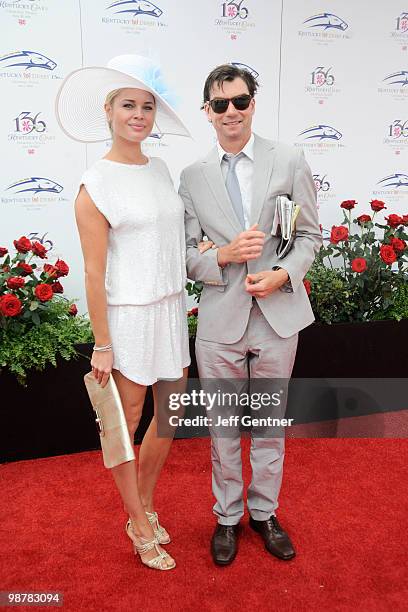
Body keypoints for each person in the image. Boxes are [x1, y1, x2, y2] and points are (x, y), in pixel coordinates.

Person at [179, 64, 322, 565]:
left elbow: (309, 236)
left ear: (253, 103)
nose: (231, 112)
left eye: (240, 101)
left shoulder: (289, 159)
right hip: (220, 321)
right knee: (221, 428)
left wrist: (283, 274)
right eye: (220, 105)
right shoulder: (192, 177)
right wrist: (223, 255)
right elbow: (186, 256)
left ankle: (263, 514)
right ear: (207, 112)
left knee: (268, 423)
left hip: (277, 316)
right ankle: (225, 517)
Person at [56, 55, 192, 571]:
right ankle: (137, 522)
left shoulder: (160, 169)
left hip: (171, 309)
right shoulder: (95, 184)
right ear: (109, 110)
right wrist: (103, 343)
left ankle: (147, 504)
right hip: (128, 315)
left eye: (147, 106)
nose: (139, 115)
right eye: (129, 105)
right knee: (126, 420)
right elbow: (93, 273)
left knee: (172, 414)